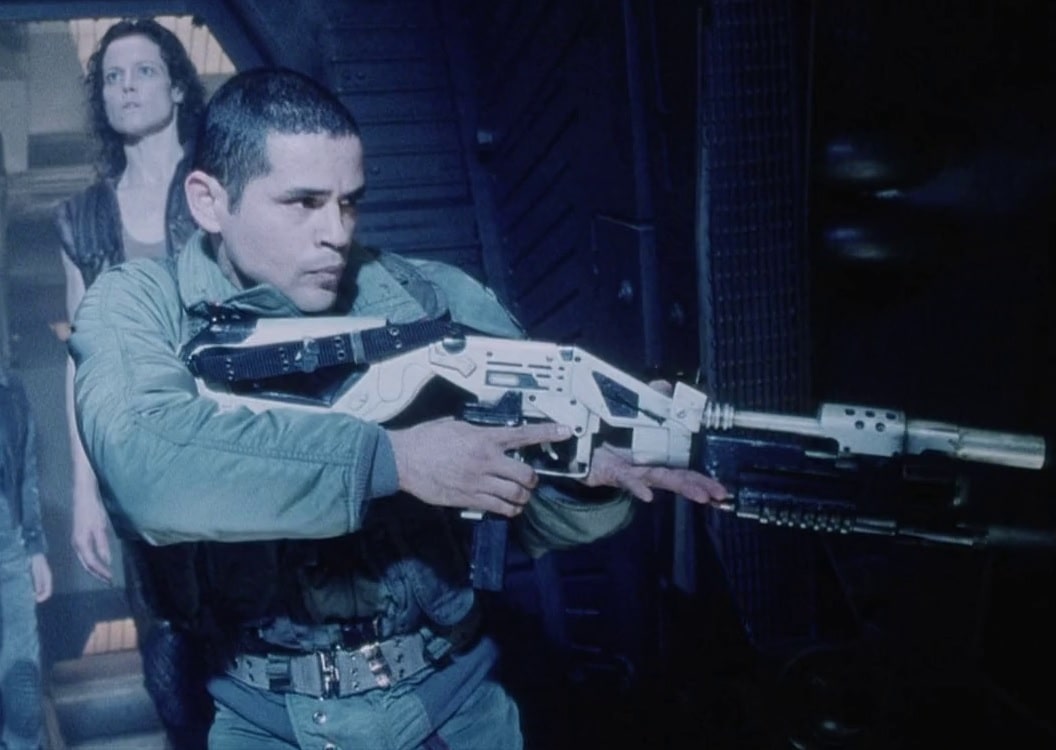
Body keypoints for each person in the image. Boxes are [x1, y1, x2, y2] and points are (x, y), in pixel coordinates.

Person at [68, 67, 729, 750]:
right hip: (268, 721)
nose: (336, 232)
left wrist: (579, 476)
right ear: (210, 202)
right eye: (303, 202)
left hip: (457, 710)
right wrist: (395, 460)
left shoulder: (431, 299)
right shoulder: (142, 307)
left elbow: (526, 521)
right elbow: (146, 462)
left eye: (349, 203)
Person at [53, 18, 214, 749]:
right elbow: (83, 360)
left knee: (263, 635)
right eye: (112, 77)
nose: (126, 87)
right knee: (172, 674)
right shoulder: (80, 217)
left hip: (236, 440)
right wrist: (85, 491)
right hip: (141, 468)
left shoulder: (222, 183)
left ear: (177, 85)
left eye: (143, 71)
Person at [0, 365, 53, 750]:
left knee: (23, 690)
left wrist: (34, 548)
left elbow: (26, 470)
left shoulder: (10, 388)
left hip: (9, 542)